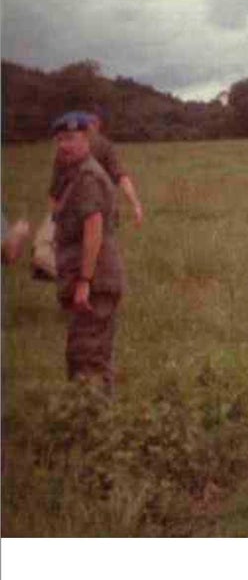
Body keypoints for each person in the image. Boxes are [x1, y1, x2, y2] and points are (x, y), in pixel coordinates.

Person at [48, 112, 126, 388]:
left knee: (88, 359)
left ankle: (94, 424)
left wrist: (84, 281)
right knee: (87, 356)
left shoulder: (88, 177)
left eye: (70, 138)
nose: (63, 145)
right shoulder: (74, 175)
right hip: (89, 280)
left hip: (95, 282)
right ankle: (95, 422)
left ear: (87, 140)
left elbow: (93, 229)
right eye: (59, 139)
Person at [38, 109, 143, 281]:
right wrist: (135, 203)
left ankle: (79, 284)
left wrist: (52, 221)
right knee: (100, 252)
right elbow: (121, 176)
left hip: (70, 215)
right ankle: (89, 284)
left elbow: (55, 191)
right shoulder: (104, 145)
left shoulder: (62, 149)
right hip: (98, 210)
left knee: (72, 256)